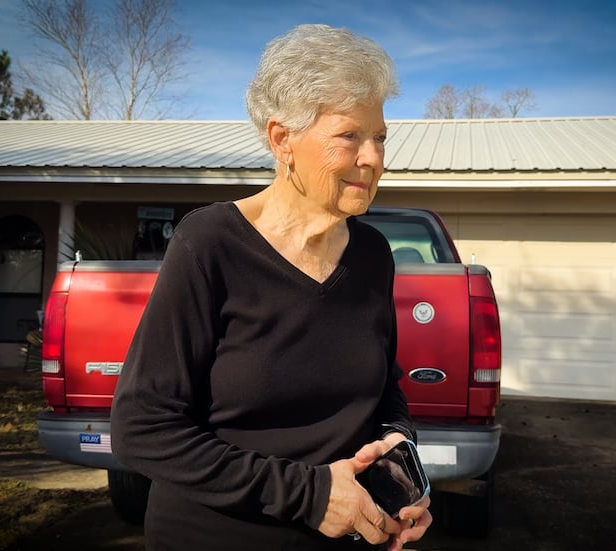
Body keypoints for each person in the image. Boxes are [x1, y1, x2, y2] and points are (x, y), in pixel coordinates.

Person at [110, 23, 432, 551]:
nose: (373, 159)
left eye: (379, 138)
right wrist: (309, 495)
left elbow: (385, 386)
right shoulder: (210, 243)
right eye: (349, 136)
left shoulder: (373, 254)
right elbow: (142, 429)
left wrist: (399, 459)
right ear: (283, 139)